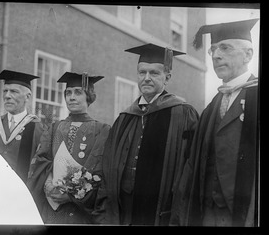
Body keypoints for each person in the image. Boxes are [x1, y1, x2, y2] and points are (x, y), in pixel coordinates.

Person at [93, 43, 199, 225]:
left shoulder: (183, 114)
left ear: (167, 77)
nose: (147, 78)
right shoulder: (125, 117)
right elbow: (108, 165)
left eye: (154, 73)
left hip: (160, 211)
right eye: (142, 72)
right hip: (123, 209)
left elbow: (190, 168)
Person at [170, 18, 259, 227]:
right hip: (205, 213)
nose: (216, 56)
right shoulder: (211, 106)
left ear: (248, 54)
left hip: (245, 214)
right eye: (212, 50)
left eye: (225, 48)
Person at [27, 72, 110, 224]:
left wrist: (72, 195)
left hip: (82, 210)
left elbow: (100, 169)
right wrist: (49, 186)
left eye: (78, 92)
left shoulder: (102, 130)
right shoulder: (54, 127)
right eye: (68, 93)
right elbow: (41, 160)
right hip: (52, 205)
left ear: (89, 96)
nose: (71, 97)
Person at [0, 70, 45, 183]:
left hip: (20, 194)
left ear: (27, 97)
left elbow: (41, 169)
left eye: (14, 91)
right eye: (5, 91)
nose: (7, 96)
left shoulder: (38, 129)